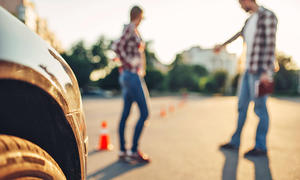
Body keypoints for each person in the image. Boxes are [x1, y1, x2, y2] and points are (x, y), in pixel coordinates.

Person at [214, 0, 278, 157]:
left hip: (260, 70)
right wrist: (222, 45)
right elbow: (238, 34)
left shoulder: (267, 16)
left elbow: (271, 44)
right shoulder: (249, 20)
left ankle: (261, 147)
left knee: (260, 109)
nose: (240, 6)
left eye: (241, 3)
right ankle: (235, 142)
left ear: (247, 0)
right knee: (242, 107)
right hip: (247, 70)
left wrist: (266, 70)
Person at [112, 5, 150, 163]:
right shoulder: (130, 28)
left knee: (126, 114)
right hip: (131, 75)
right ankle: (133, 151)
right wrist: (128, 63)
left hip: (129, 75)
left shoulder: (133, 30)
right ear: (139, 16)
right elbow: (116, 46)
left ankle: (122, 150)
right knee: (145, 113)